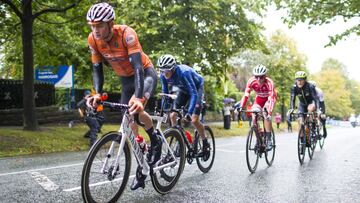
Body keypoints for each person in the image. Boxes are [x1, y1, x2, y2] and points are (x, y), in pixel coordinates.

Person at [85, 2, 160, 190]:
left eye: (99, 25)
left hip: (144, 74)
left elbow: (137, 67)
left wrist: (139, 97)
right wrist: (97, 94)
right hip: (126, 81)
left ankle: (155, 137)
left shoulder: (127, 34)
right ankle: (141, 152)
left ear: (110, 24)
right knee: (128, 119)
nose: (96, 30)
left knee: (135, 108)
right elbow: (97, 70)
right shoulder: (93, 40)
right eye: (92, 26)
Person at [157, 54, 210, 154]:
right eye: (161, 70)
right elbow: (165, 93)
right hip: (183, 90)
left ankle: (205, 141)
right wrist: (162, 110)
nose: (164, 73)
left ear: (173, 69)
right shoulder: (163, 76)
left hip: (196, 89)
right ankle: (179, 141)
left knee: (194, 120)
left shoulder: (184, 73)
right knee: (173, 115)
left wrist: (189, 113)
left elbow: (193, 93)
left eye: (166, 71)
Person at [236, 65, 277, 150]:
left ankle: (269, 139)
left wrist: (268, 112)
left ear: (265, 76)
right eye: (256, 77)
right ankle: (259, 135)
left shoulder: (269, 82)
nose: (258, 79)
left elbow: (271, 98)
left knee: (266, 114)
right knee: (254, 114)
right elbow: (246, 95)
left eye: (261, 77)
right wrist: (241, 106)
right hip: (259, 99)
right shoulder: (251, 81)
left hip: (269, 99)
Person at [288, 71, 320, 146]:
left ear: (305, 80)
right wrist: (292, 109)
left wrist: (317, 108)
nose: (299, 82)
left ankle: (313, 127)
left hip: (311, 103)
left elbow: (315, 99)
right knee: (300, 120)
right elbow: (292, 99)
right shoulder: (294, 87)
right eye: (297, 80)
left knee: (310, 110)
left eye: (301, 80)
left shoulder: (310, 86)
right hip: (302, 104)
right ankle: (302, 139)